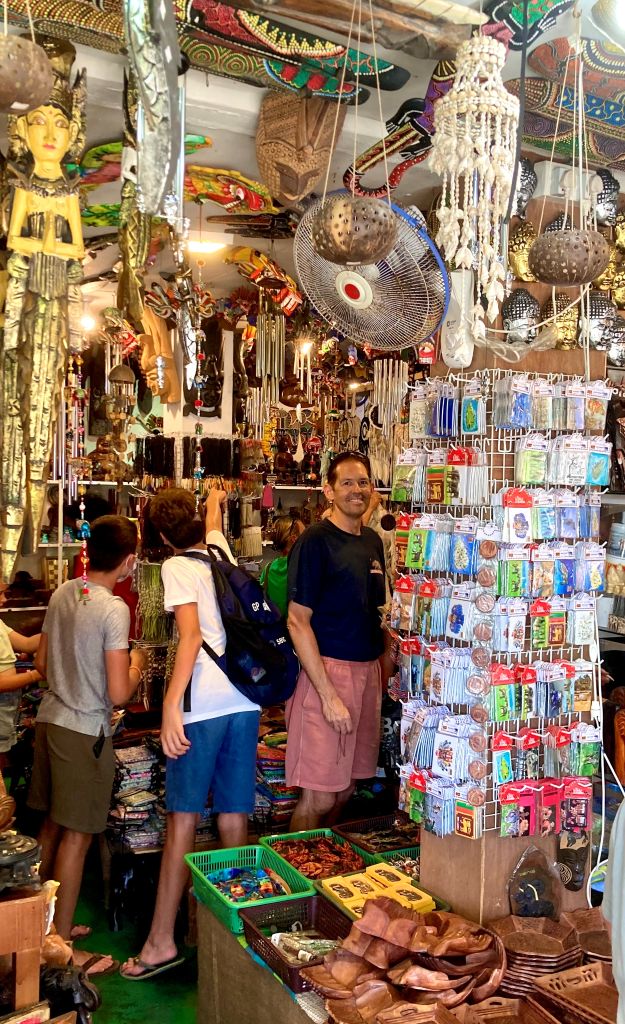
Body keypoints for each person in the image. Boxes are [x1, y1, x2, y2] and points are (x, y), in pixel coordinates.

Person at [121, 488, 261, 980]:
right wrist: (216, 499)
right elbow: (216, 518)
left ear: (160, 535)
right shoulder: (219, 548)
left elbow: (192, 636)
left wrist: (170, 706)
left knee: (182, 819)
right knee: (233, 817)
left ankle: (161, 942)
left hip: (201, 706)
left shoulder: (176, 568)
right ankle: (232, 932)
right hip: (245, 701)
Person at [27, 515, 145, 975]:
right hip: (83, 732)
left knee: (53, 827)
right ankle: (58, 945)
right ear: (129, 560)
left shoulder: (63, 593)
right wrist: (136, 664)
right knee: (77, 838)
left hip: (49, 721)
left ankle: (39, 925)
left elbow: (40, 660)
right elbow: (118, 693)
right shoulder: (113, 608)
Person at [286, 452, 394, 831]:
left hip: (368, 674)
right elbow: (297, 622)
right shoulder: (315, 542)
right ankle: (297, 888)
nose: (357, 490)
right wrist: (328, 695)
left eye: (363, 482)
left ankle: (321, 873)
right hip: (326, 674)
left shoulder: (371, 543)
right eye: (347, 483)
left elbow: (379, 612)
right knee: (319, 795)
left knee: (347, 787)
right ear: (328, 490)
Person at [0, 582, 42, 763]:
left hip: (7, 707)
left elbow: (27, 644)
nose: (4, 599)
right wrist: (37, 674)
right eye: (0, 593)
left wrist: (56, 628)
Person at [259, 515, 305, 616]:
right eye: (305, 534)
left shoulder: (268, 568)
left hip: (276, 627)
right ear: (294, 539)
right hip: (299, 627)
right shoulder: (304, 566)